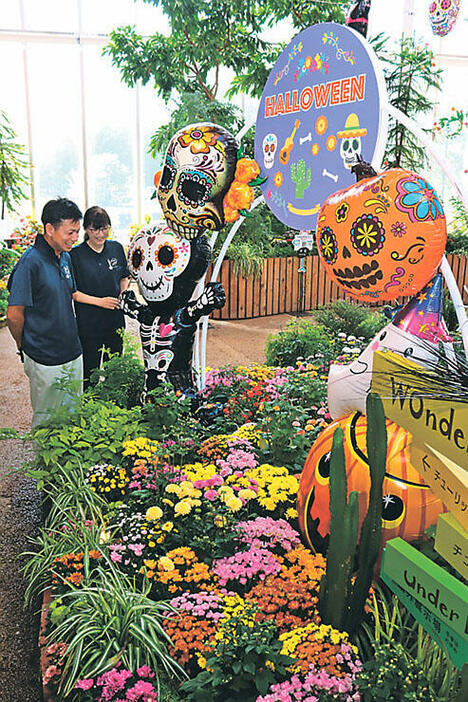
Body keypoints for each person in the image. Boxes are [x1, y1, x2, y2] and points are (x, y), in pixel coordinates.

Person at [7, 198, 84, 427]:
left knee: (72, 414)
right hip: (44, 356)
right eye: (70, 232)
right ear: (50, 229)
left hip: (72, 350)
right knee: (47, 420)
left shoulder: (66, 257)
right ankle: (45, 463)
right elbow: (13, 315)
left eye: (77, 232)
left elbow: (70, 295)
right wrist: (24, 346)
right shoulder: (30, 263)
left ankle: (70, 462)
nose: (75, 238)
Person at [70, 206, 130, 388]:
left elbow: (124, 276)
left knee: (114, 365)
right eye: (94, 229)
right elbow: (73, 293)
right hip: (89, 322)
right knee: (91, 370)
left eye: (104, 228)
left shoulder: (116, 248)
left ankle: (114, 406)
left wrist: (122, 293)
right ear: (86, 230)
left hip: (114, 318)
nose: (100, 234)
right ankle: (90, 405)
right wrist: (101, 302)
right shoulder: (75, 255)